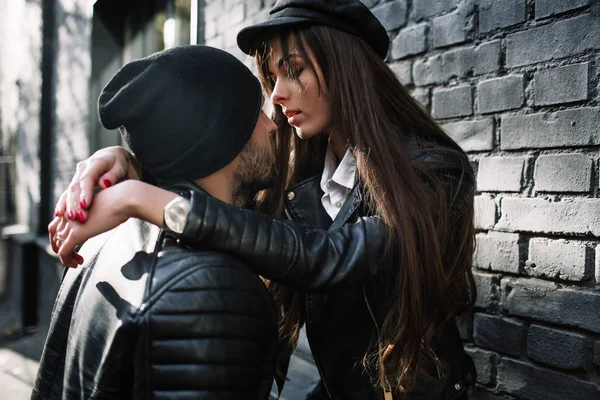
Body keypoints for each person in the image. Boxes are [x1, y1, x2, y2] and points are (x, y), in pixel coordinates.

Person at [50, 0, 478, 399]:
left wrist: (145, 199)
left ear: (347, 71)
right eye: (273, 77)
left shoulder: (434, 171)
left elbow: (329, 258)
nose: (276, 95)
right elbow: (228, 203)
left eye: (293, 71)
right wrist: (127, 159)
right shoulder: (301, 175)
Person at [32, 45, 280, 400]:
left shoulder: (103, 233)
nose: (272, 125)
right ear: (219, 135)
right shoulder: (213, 288)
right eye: (256, 112)